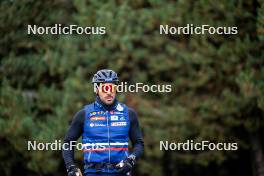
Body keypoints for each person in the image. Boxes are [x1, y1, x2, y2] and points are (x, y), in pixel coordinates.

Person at [62, 69, 144, 176]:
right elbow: (68, 143)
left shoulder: (129, 113)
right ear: (96, 89)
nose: (109, 92)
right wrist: (71, 166)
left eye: (112, 88)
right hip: (94, 172)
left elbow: (139, 143)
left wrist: (130, 160)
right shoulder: (84, 114)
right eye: (105, 88)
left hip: (121, 172)